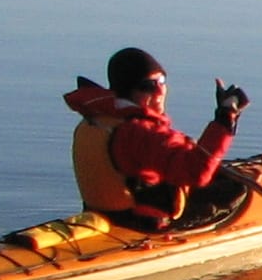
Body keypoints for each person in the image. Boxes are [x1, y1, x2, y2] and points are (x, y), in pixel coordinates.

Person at [65, 48, 249, 230]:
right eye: (149, 85)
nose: (160, 91)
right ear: (128, 90)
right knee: (235, 190)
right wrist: (226, 117)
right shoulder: (140, 132)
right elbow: (197, 173)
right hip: (142, 223)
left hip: (102, 213)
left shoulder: (97, 119)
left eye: (162, 81)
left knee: (216, 175)